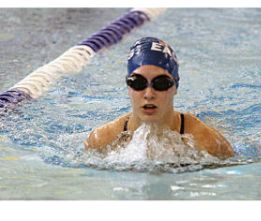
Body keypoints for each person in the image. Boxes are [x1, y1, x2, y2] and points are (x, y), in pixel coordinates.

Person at [84, 37, 234, 160]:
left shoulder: (207, 142)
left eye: (161, 83)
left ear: (175, 86)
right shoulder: (101, 140)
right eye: (138, 82)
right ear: (128, 86)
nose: (149, 93)